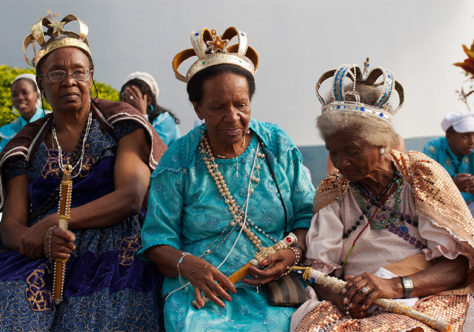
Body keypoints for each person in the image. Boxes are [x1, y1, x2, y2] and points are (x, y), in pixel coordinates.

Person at [139, 27, 315, 331]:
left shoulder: (276, 145)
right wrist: (188, 265)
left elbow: (308, 216)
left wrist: (292, 252)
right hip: (200, 291)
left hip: (277, 287)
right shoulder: (179, 160)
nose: (233, 117)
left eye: (241, 104)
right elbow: (158, 240)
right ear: (198, 108)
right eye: (218, 108)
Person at [0, 12, 166, 330]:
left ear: (91, 76)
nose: (70, 81)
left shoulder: (120, 121)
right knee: (11, 307)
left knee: (109, 313)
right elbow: (11, 225)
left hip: (118, 241)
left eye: (79, 71)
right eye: (56, 74)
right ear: (41, 85)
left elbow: (131, 196)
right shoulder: (24, 145)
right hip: (46, 249)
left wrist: (58, 220)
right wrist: (33, 241)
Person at [291, 62, 474, 331]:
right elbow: (320, 274)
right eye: (334, 152)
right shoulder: (334, 188)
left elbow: (457, 265)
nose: (341, 162)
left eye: (351, 150)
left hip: (423, 294)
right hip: (353, 300)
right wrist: (345, 298)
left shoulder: (420, 175)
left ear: (380, 143)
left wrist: (395, 286)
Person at [423, 111, 474, 214]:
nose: (472, 141)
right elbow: (424, 188)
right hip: (442, 209)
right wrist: (452, 186)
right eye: (465, 136)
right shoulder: (434, 149)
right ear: (449, 136)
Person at [120, 71, 181, 146]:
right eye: (124, 98)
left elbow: (151, 150)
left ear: (148, 100)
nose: (127, 104)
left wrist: (142, 113)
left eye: (133, 97)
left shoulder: (165, 120)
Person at [0, 73, 44, 151]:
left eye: (24, 92)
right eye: (15, 95)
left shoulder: (51, 120)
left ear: (37, 95)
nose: (19, 98)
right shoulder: (11, 128)